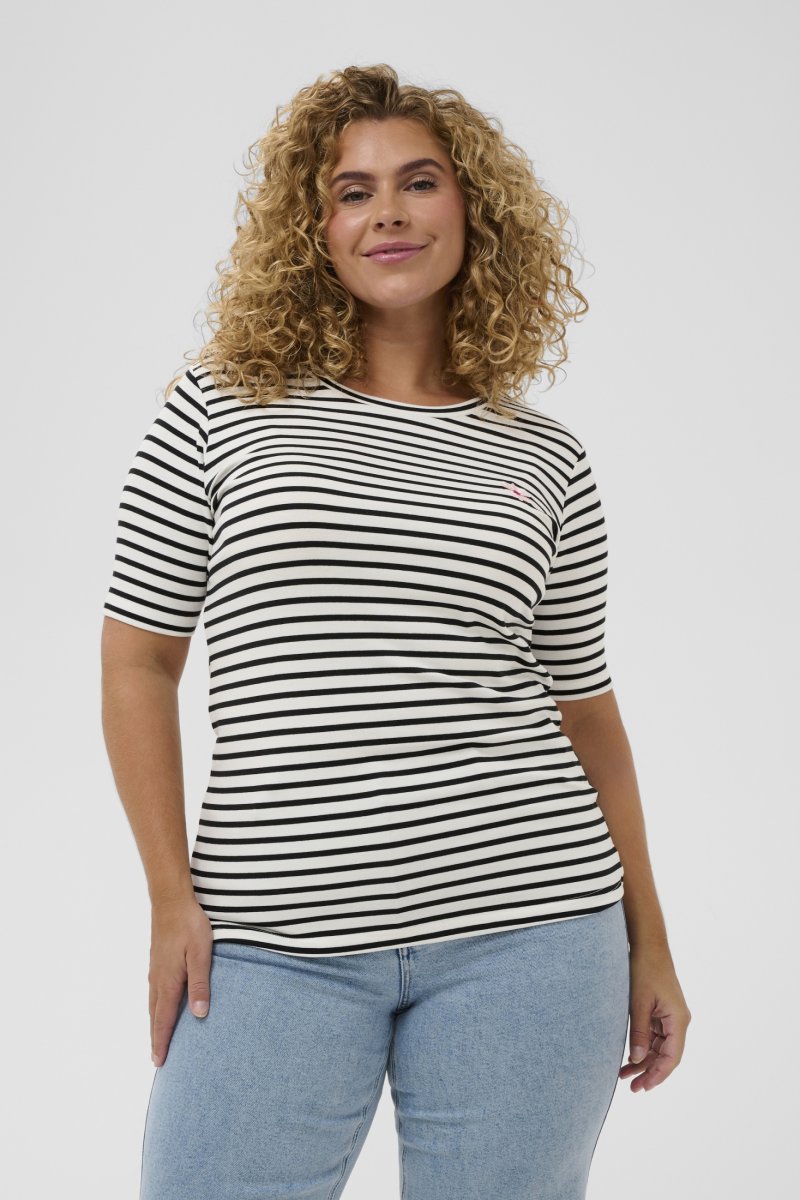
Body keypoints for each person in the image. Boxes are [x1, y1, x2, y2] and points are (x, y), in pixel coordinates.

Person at [100, 63, 691, 1200]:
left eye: (418, 182)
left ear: (473, 209)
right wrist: (170, 896)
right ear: (311, 229)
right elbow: (139, 659)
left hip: (531, 929)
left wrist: (648, 938)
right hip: (270, 938)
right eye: (351, 191)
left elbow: (585, 711)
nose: (387, 213)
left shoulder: (545, 457)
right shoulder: (222, 407)